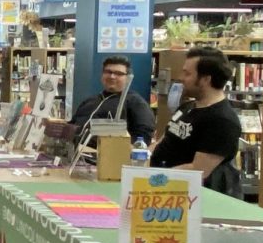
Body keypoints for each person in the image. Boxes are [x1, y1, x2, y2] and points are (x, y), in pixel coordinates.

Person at [150, 46, 242, 196]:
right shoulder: (187, 107)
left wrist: (155, 178)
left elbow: (198, 170)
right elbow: (164, 140)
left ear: (206, 79)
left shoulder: (222, 120)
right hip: (165, 188)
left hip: (191, 198)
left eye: (187, 73)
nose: (181, 77)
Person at [69, 55, 156, 144]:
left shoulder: (135, 103)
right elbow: (71, 126)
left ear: (128, 78)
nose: (112, 76)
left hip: (106, 155)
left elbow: (143, 138)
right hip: (75, 153)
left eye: (118, 73)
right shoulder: (89, 101)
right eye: (108, 72)